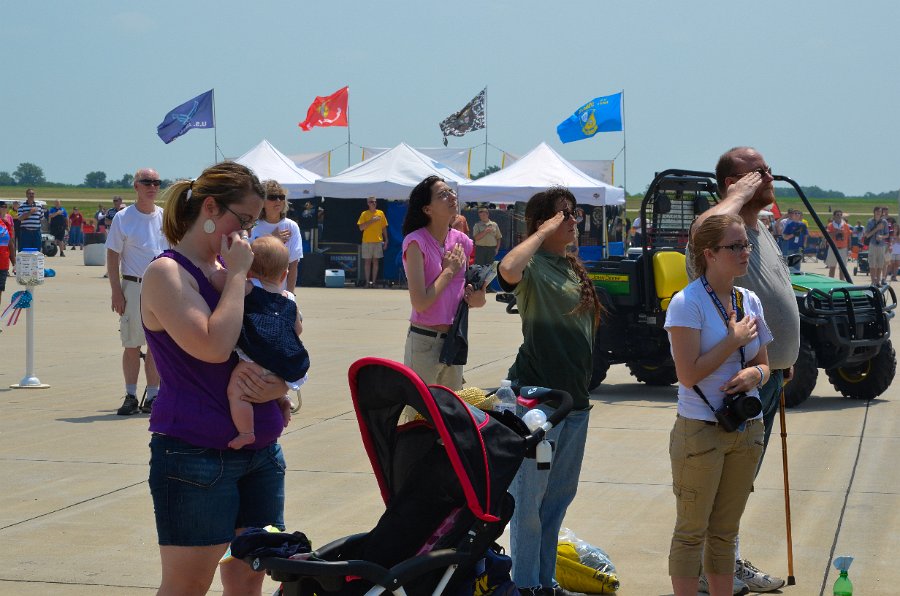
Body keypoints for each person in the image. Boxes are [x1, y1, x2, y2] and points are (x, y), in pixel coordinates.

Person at [141, 161, 290, 596]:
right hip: (195, 454)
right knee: (188, 584)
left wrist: (282, 386)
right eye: (242, 220)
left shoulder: (228, 269)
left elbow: (280, 343)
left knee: (249, 577)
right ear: (210, 207)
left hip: (262, 453)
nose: (246, 233)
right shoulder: (167, 273)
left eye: (252, 223)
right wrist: (239, 274)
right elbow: (213, 346)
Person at [690, 147, 798, 593]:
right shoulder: (717, 231)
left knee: (741, 481)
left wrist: (782, 360)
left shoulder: (759, 229)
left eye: (767, 170)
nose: (768, 176)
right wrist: (736, 196)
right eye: (757, 172)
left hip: (767, 374)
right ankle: (711, 571)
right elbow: (703, 229)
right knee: (723, 482)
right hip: (734, 378)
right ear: (731, 184)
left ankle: (727, 563)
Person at [497, 187, 601, 596]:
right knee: (529, 502)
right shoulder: (535, 266)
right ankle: (525, 586)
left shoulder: (570, 267)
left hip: (575, 403)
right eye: (564, 214)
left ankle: (545, 582)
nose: (573, 220)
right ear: (543, 222)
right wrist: (542, 232)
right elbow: (507, 268)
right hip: (538, 402)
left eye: (575, 213)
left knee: (557, 501)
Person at [666, 214, 772, 596]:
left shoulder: (749, 300)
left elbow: (765, 364)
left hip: (746, 428)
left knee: (726, 533)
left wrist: (754, 376)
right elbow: (688, 374)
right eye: (735, 246)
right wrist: (731, 341)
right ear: (709, 254)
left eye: (746, 245)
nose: (745, 253)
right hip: (701, 432)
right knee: (692, 532)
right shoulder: (687, 303)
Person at [210, 236, 307, 449]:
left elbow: (216, 279)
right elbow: (298, 330)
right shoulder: (289, 298)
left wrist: (232, 269)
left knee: (237, 392)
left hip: (256, 358)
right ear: (284, 275)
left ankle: (246, 432)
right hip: (283, 361)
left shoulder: (248, 288)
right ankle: (283, 399)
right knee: (269, 381)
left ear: (249, 270)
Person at [401, 176, 485, 392]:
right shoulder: (415, 242)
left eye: (451, 192)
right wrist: (448, 271)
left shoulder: (462, 241)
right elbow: (420, 303)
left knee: (451, 409)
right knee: (420, 409)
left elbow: (471, 296)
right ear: (427, 209)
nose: (452, 197)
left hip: (454, 340)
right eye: (443, 195)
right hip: (424, 342)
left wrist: (476, 297)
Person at [106, 169, 166, 415]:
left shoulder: (165, 217)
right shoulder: (123, 218)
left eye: (156, 182)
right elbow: (113, 256)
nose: (152, 187)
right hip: (133, 286)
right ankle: (130, 395)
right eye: (146, 182)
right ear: (136, 186)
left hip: (161, 288)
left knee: (156, 345)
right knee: (131, 343)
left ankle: (153, 396)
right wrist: (116, 291)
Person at [250, 181, 302, 291]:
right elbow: (248, 259)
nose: (278, 200)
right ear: (262, 202)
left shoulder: (291, 226)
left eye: (281, 197)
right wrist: (272, 240)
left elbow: (293, 265)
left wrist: (290, 295)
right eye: (272, 197)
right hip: (254, 290)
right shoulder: (252, 226)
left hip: (280, 291)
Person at [357, 196, 388, 288]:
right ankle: (367, 282)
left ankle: (373, 282)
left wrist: (386, 240)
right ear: (368, 203)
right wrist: (372, 220)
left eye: (375, 201)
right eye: (371, 202)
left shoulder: (380, 213)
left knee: (376, 262)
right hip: (367, 241)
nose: (373, 203)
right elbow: (361, 228)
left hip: (378, 241)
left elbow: (384, 227)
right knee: (367, 262)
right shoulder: (364, 214)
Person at [864, 206, 888, 286]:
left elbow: (887, 234)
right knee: (872, 264)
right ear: (874, 212)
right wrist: (877, 229)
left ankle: (878, 281)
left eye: (880, 211)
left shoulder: (884, 222)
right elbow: (867, 235)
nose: (878, 213)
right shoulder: (870, 221)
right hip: (872, 244)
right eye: (877, 211)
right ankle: (873, 281)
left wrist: (881, 237)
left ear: (882, 213)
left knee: (880, 264)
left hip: (881, 245)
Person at [825, 209, 851, 278]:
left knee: (842, 267)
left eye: (840, 215)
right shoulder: (830, 225)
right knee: (832, 267)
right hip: (833, 248)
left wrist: (849, 248)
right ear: (834, 216)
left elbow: (849, 237)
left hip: (843, 248)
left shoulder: (845, 225)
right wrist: (836, 232)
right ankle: (831, 281)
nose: (839, 216)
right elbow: (828, 235)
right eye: (837, 215)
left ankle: (841, 281)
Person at [0, 201, 13, 305]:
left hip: (3, 262)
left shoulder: (6, 224)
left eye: (5, 207)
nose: (4, 208)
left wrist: (14, 262)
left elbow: (10, 244)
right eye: (2, 206)